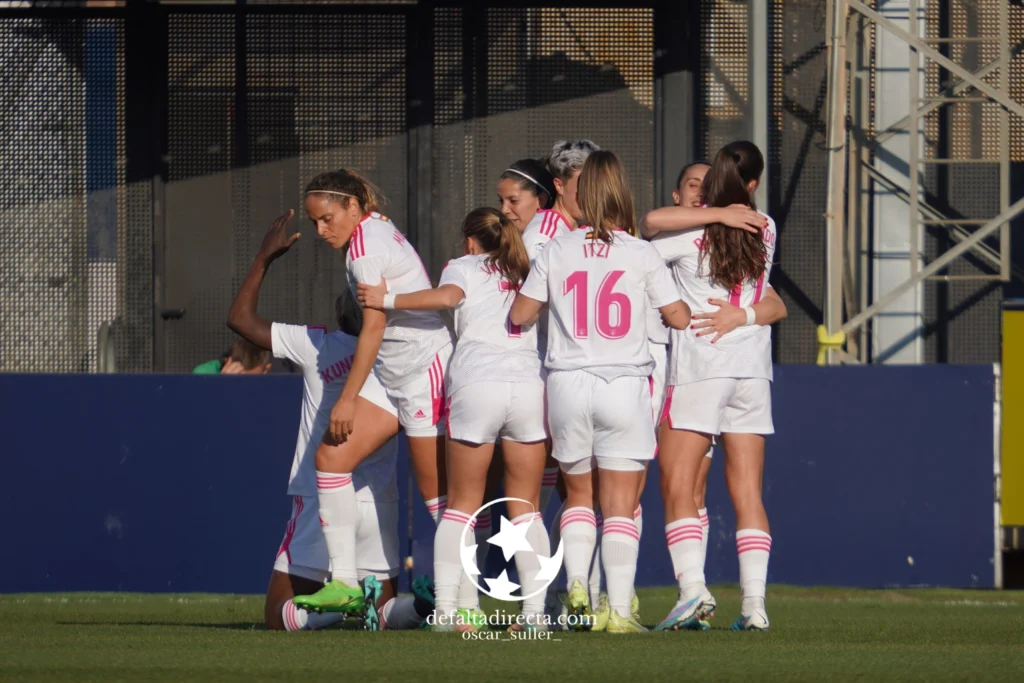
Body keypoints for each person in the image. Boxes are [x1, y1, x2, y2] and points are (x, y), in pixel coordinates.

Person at [509, 150, 692, 634]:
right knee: (620, 505)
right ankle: (622, 614)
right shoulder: (640, 252)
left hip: (567, 384)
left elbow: (521, 315)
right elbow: (678, 318)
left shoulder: (557, 248)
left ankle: (575, 586)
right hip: (624, 384)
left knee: (578, 497)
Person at [226, 212, 432, 632]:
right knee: (383, 614)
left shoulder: (317, 343)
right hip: (377, 498)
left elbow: (240, 320)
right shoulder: (400, 358)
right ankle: (418, 607)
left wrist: (264, 259)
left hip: (321, 496)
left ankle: (344, 608)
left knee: (278, 617)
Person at [358, 207, 550, 633]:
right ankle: (534, 615)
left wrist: (385, 299)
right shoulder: (527, 269)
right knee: (527, 509)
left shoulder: (463, 265)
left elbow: (446, 298)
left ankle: (447, 611)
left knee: (461, 507)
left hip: (477, 383)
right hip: (527, 386)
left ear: (469, 240)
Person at [290, 170, 452, 616]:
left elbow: (374, 328)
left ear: (352, 207)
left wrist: (346, 399)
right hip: (393, 370)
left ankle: (466, 602)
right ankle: (344, 583)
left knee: (438, 499)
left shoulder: (365, 247)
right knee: (331, 458)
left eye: (326, 218)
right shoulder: (373, 225)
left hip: (423, 369)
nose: (321, 230)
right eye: (315, 222)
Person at [648, 141, 783, 632]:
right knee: (748, 492)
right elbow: (772, 301)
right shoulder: (766, 227)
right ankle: (755, 607)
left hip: (702, 366)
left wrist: (715, 214)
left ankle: (692, 591)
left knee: (678, 485)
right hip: (753, 370)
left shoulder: (689, 234)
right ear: (753, 183)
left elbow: (650, 224)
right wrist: (743, 315)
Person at [192, 337, 271, 375]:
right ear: (227, 362)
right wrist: (222, 385)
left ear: (266, 370)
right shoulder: (203, 374)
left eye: (253, 382)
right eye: (240, 381)